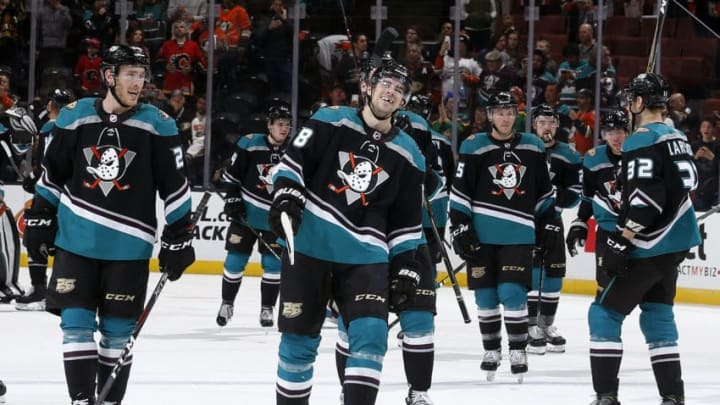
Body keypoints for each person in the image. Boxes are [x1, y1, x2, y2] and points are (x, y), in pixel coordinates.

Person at [22, 44, 196, 405]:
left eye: (141, 74)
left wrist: (179, 237)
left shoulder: (158, 125)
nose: (138, 82)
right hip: (76, 243)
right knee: (75, 325)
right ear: (108, 77)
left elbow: (176, 188)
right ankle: (82, 400)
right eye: (130, 74)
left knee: (117, 334)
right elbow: (53, 175)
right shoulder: (74, 117)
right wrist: (40, 218)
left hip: (129, 248)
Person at [270, 56, 426, 405]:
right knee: (298, 342)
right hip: (310, 244)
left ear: (404, 102)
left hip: (366, 255)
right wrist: (288, 194)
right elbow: (293, 163)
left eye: (399, 89)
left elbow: (406, 221)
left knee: (371, 335)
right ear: (367, 87)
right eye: (385, 83)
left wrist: (406, 263)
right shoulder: (328, 120)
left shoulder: (410, 153)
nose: (391, 92)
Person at [582, 73, 700, 405]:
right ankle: (672, 397)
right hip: (675, 245)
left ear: (640, 102)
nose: (628, 103)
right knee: (658, 314)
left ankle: (606, 397)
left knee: (603, 315)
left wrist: (624, 236)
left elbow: (646, 198)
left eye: (633, 97)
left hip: (649, 244)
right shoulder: (676, 135)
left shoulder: (640, 139)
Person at [449, 91, 556, 382]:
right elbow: (460, 192)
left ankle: (518, 348)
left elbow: (544, 190)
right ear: (490, 115)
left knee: (512, 293)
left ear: (516, 115)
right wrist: (460, 225)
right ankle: (492, 349)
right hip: (482, 236)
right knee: (485, 296)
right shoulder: (474, 145)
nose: (505, 118)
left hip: (519, 233)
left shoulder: (533, 146)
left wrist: (548, 222)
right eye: (500, 112)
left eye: (510, 113)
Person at [215, 102, 291, 328]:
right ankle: (226, 303)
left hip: (275, 220)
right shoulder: (250, 144)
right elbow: (231, 177)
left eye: (287, 125)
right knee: (234, 261)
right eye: (279, 124)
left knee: (273, 265)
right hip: (245, 216)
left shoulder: (295, 150)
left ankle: (267, 308)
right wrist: (232, 199)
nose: (284, 129)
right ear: (269, 125)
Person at [526, 104, 582, 355]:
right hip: (526, 221)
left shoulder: (568, 155)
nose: (546, 128)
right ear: (534, 125)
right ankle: (528, 326)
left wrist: (554, 202)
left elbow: (575, 193)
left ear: (557, 126)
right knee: (530, 272)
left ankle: (546, 325)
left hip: (555, 221)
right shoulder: (523, 149)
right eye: (541, 123)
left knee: (554, 273)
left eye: (551, 123)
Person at [16, 88, 75, 311]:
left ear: (50, 106)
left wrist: (38, 178)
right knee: (61, 242)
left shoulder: (52, 127)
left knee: (35, 238)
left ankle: (41, 290)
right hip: (69, 193)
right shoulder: (78, 128)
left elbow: (52, 161)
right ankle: (60, 290)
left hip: (51, 192)